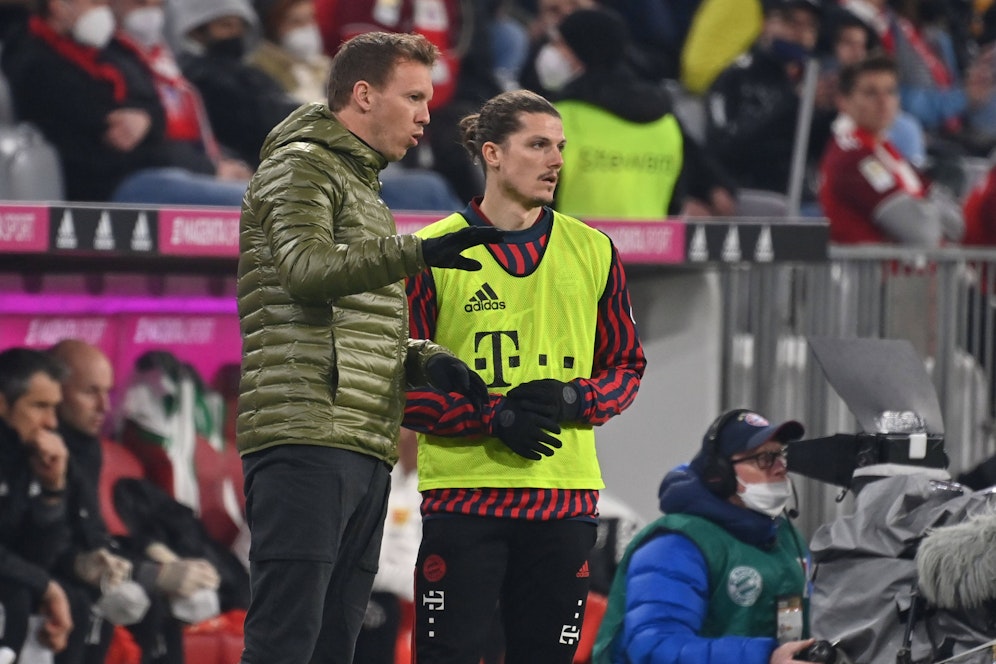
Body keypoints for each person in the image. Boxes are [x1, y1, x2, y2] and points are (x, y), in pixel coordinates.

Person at [236, 30, 503, 664]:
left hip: (362, 438)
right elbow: (305, 269)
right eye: (412, 97)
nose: (425, 115)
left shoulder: (363, 188)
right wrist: (418, 251)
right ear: (363, 95)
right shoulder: (299, 165)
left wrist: (427, 359)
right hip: (305, 435)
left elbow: (351, 321)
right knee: (285, 642)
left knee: (335, 645)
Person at [403, 88, 646, 663]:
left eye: (559, 146)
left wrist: (571, 398)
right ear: (492, 153)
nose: (556, 160)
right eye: (538, 145)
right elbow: (399, 382)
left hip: (563, 503)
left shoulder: (594, 250)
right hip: (463, 502)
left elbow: (627, 367)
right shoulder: (428, 251)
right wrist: (491, 416)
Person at [592, 409, 814, 664]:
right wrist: (764, 657)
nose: (780, 468)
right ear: (719, 474)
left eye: (781, 456)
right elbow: (654, 648)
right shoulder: (675, 545)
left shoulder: (785, 539)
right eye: (765, 458)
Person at [50, 339, 222, 664]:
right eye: (90, 392)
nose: (104, 406)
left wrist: (161, 560)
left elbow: (106, 535)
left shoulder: (101, 454)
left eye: (108, 392)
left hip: (113, 572)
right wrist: (149, 575)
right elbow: (47, 545)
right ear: (56, 391)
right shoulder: (42, 454)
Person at [0, 0, 251, 205]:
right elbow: (108, 140)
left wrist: (146, 120)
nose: (104, 9)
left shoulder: (111, 51)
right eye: (95, 2)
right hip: (109, 188)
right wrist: (207, 171)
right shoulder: (35, 63)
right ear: (58, 5)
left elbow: (154, 106)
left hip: (156, 172)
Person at [541, 7, 736, 220]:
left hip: (573, 248)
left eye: (559, 44)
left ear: (579, 52)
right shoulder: (664, 120)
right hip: (652, 249)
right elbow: (676, 201)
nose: (551, 52)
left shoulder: (559, 119)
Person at [818, 54, 964, 245]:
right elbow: (922, 232)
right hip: (870, 274)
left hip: (906, 273)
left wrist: (924, 210)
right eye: (870, 93)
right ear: (843, 101)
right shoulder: (852, 156)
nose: (883, 101)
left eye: (890, 91)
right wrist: (927, 209)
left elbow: (957, 224)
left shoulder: (886, 151)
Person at [0, 348, 74, 659]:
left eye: (55, 408)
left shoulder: (23, 454)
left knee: (79, 603)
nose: (51, 422)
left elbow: (36, 557)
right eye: (40, 406)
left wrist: (52, 489)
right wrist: (45, 585)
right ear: (2, 403)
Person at [705, 0, 823, 194]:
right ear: (765, 24)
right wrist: (793, 103)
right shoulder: (736, 77)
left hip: (804, 192)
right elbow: (724, 147)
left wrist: (829, 113)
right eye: (790, 21)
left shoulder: (814, 78)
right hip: (752, 192)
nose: (800, 34)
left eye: (810, 26)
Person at [168, 0, 299, 167]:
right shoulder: (199, 76)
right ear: (197, 31)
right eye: (225, 26)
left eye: (239, 26)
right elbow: (255, 119)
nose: (235, 33)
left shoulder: (245, 70)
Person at [248, 0, 329, 104]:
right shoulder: (260, 73)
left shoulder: (323, 66)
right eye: (295, 22)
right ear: (272, 27)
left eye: (310, 18)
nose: (307, 28)